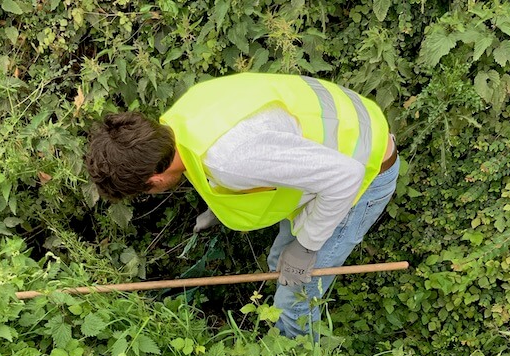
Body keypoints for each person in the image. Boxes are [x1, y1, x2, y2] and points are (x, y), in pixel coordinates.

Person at [86, 73, 400, 338]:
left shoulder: (232, 159)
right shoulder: (180, 117)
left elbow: (346, 177)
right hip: (343, 136)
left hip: (363, 172)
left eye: (145, 191)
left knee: (296, 299)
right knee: (280, 261)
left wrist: (306, 248)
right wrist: (215, 206)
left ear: (154, 180)